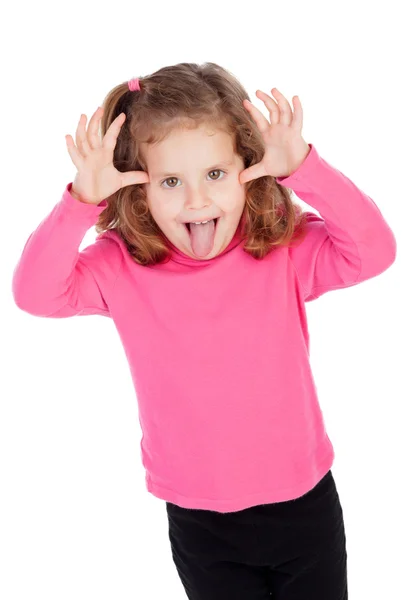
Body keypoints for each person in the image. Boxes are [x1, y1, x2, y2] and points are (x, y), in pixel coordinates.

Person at [11, 62, 396, 599]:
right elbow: (35, 294)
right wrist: (80, 202)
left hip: (302, 503)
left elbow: (375, 252)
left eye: (216, 174)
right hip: (198, 517)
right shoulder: (121, 266)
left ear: (250, 166)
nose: (196, 200)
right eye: (171, 181)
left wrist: (304, 169)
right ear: (137, 188)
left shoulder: (281, 248)